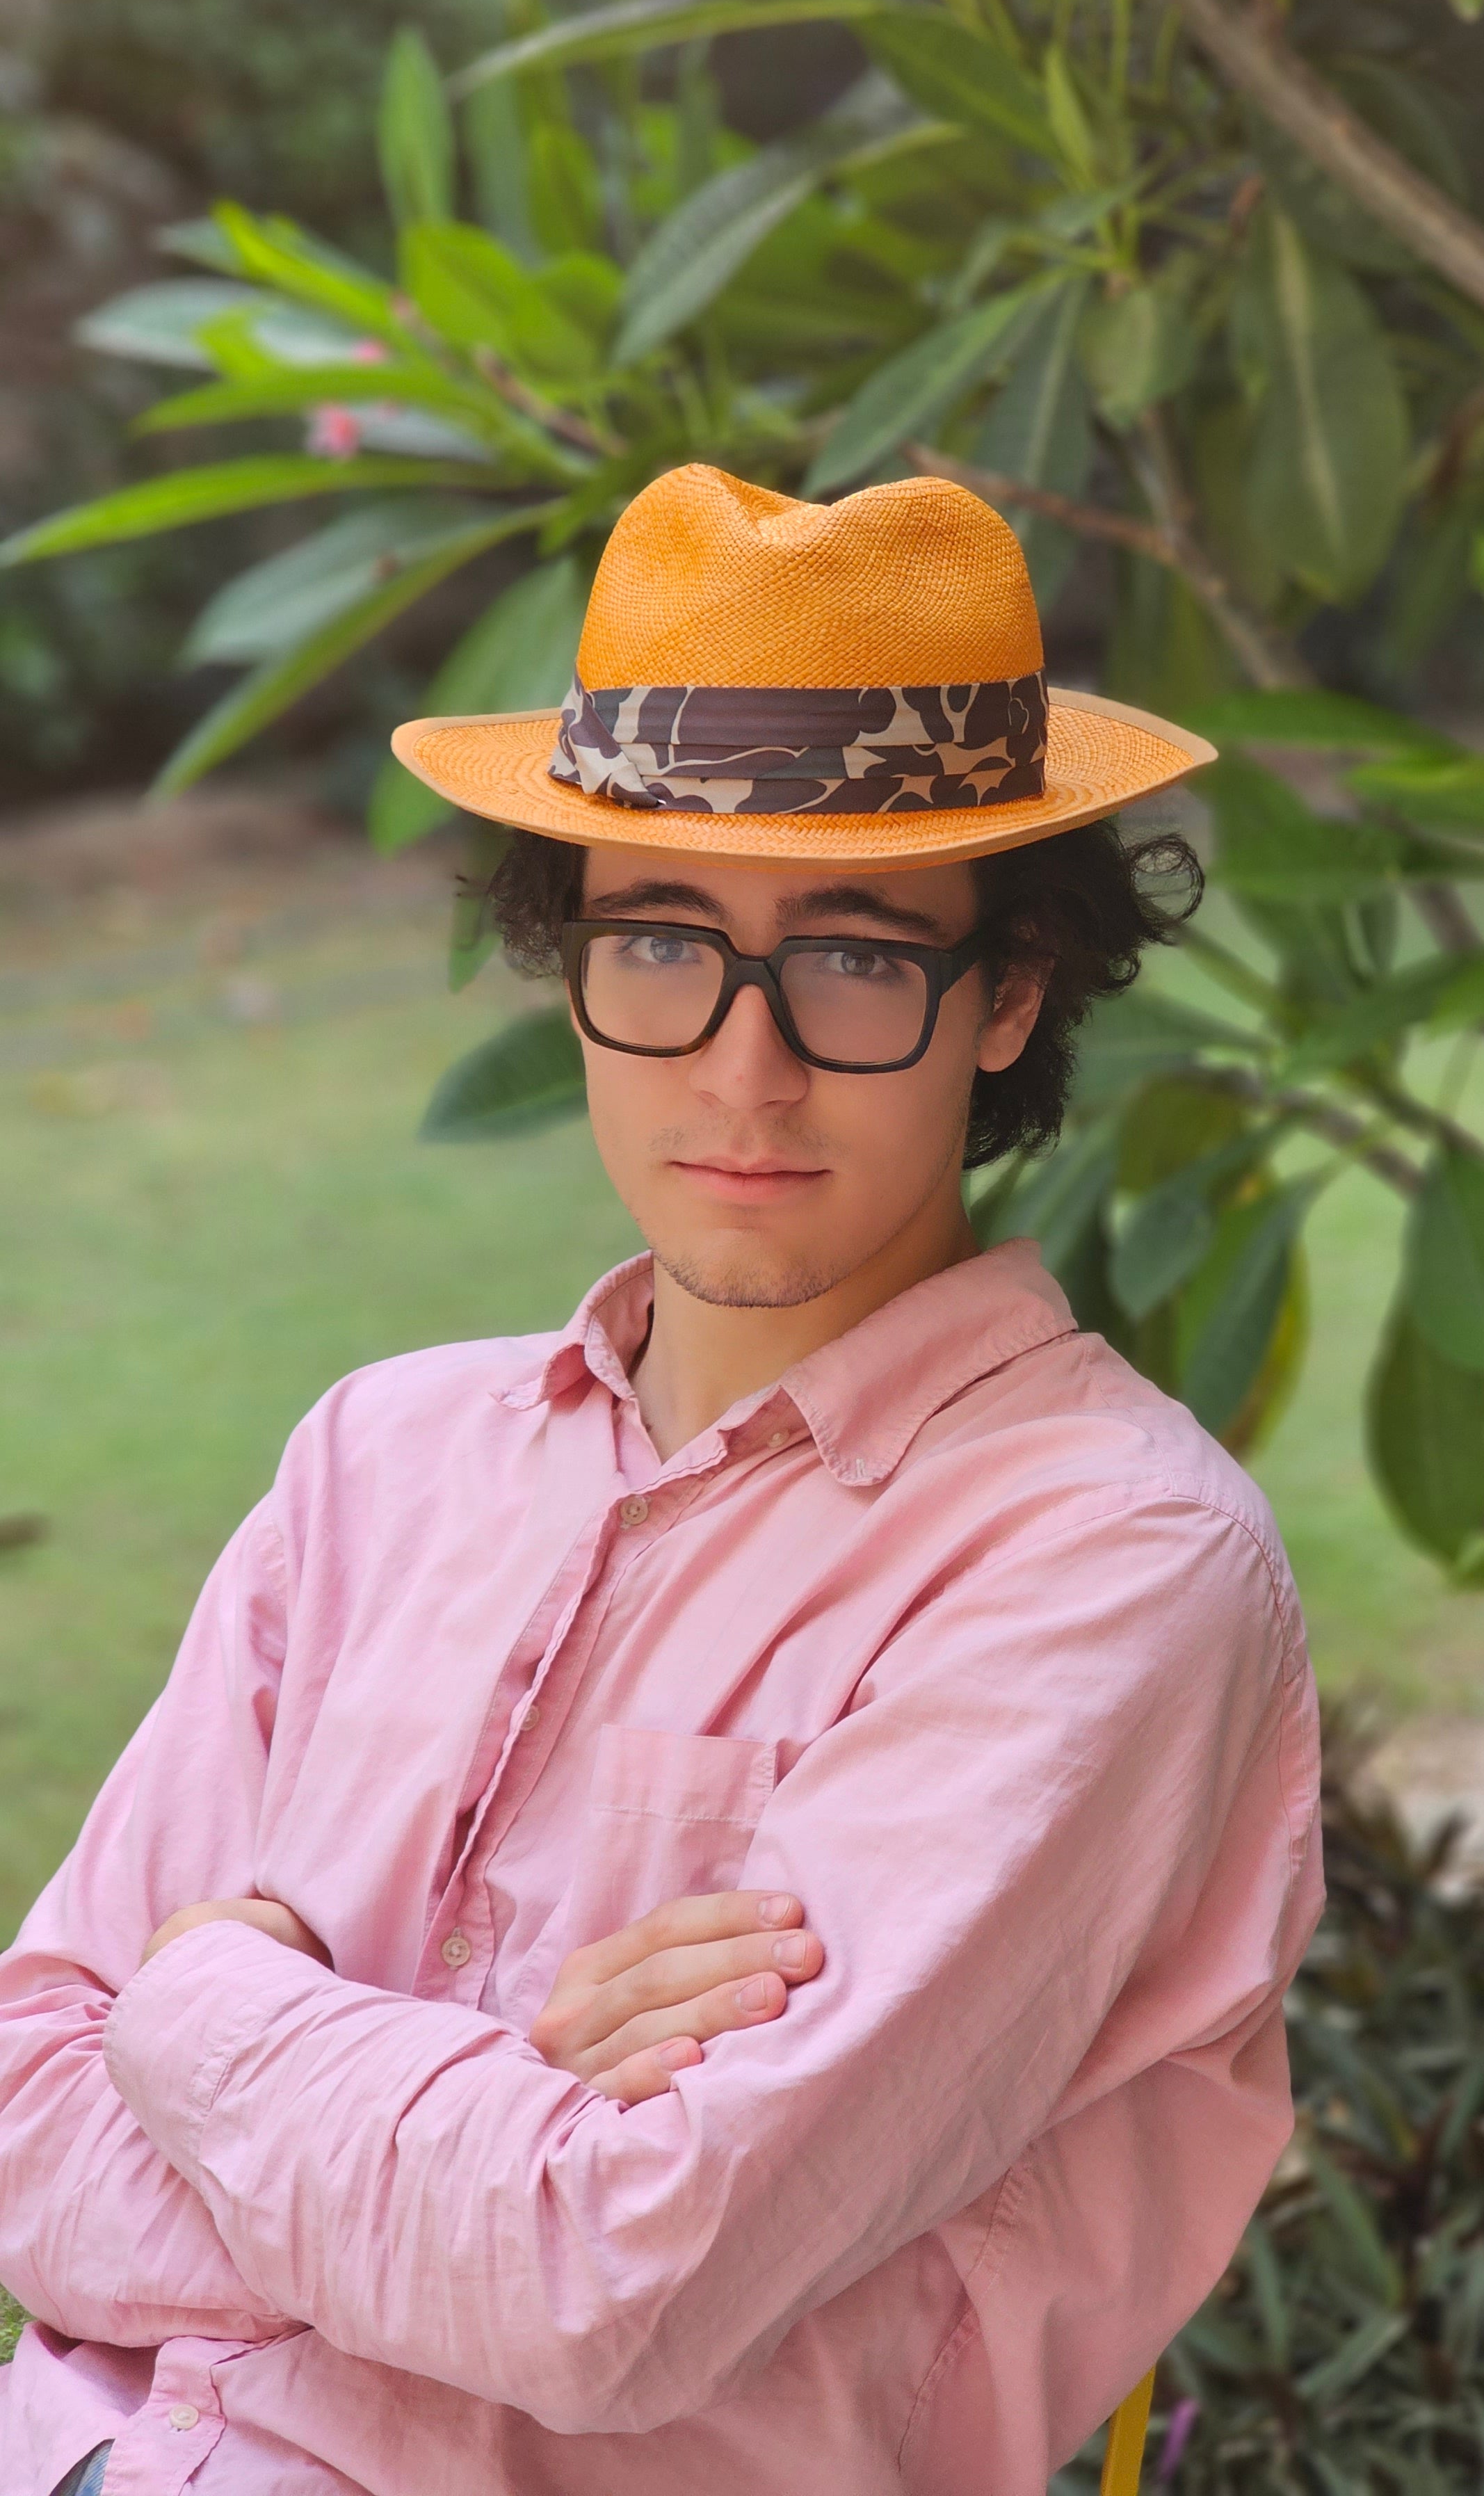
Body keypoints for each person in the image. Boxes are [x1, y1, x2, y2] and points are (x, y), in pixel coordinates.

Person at [0, 465, 1323, 2496]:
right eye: (663, 942)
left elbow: (605, 2285)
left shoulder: (1109, 1559)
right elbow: (23, 2115)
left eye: (856, 958)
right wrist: (491, 2106)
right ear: (574, 961)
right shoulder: (378, 1460)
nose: (740, 1067)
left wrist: (199, 2008)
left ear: (1010, 990)